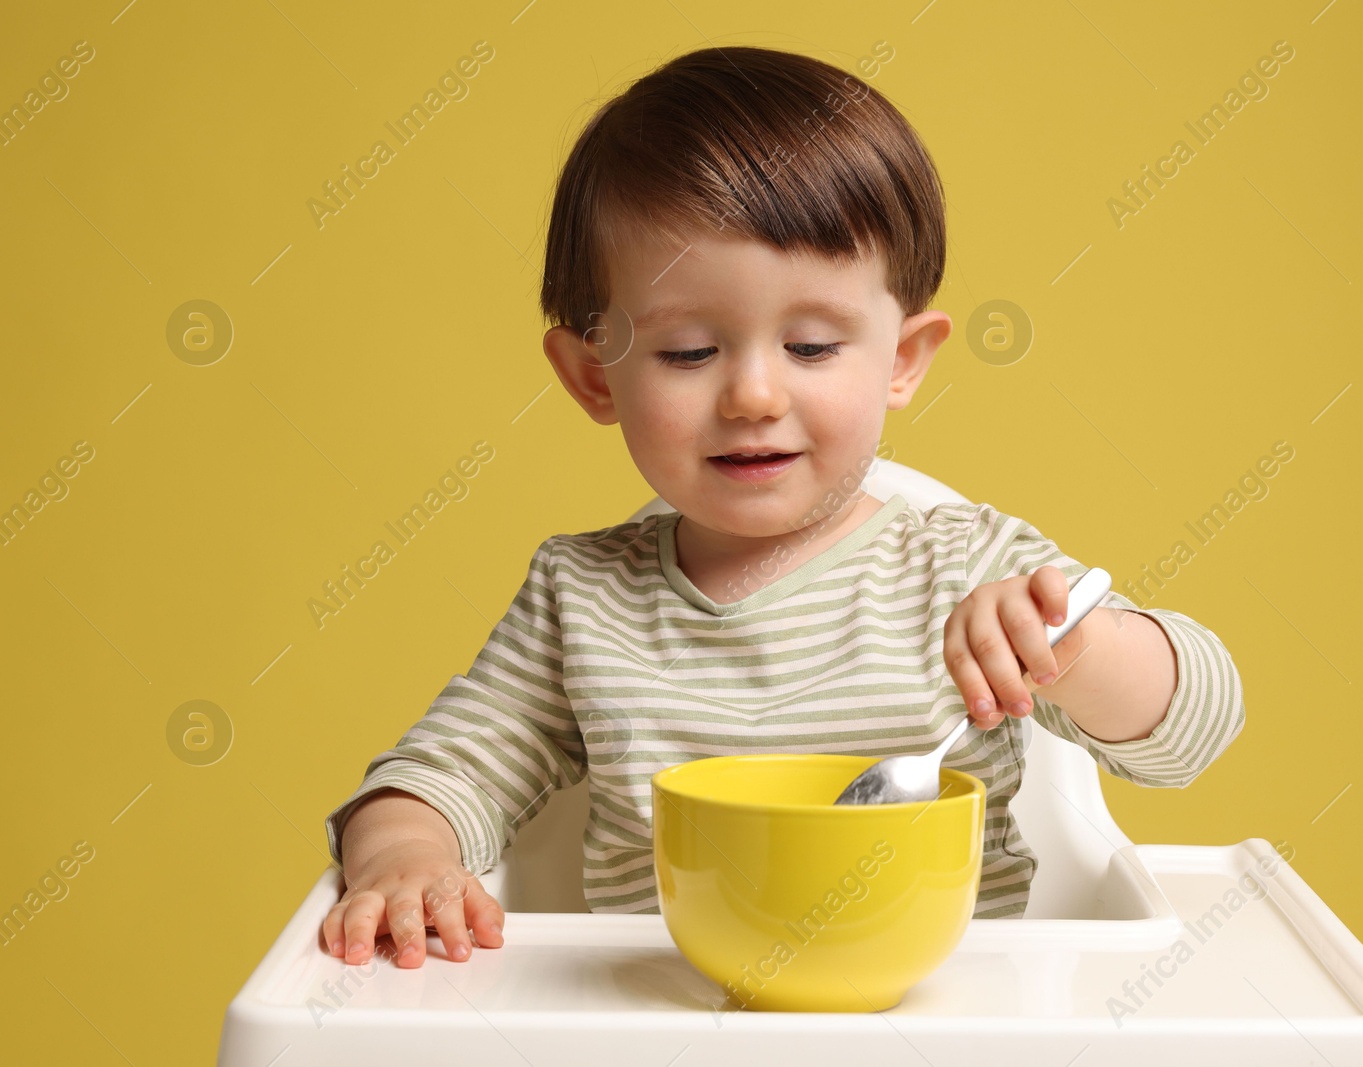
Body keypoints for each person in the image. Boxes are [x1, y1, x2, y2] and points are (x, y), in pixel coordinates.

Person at [321, 45, 1245, 970]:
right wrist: (405, 858)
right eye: (688, 352)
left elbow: (1195, 725)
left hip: (942, 1021)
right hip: (667, 1023)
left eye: (809, 345)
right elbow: (440, 772)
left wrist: (1075, 647)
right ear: (591, 374)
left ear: (903, 360)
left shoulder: (968, 565)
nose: (754, 395)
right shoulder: (583, 598)